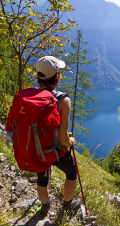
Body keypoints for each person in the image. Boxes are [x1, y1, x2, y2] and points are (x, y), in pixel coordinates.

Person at [35, 56, 80, 216]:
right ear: (57, 76)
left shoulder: (31, 97)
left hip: (37, 148)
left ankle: (45, 206)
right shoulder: (63, 101)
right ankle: (66, 205)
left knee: (42, 178)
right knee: (71, 173)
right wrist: (70, 140)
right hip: (55, 151)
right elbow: (62, 140)